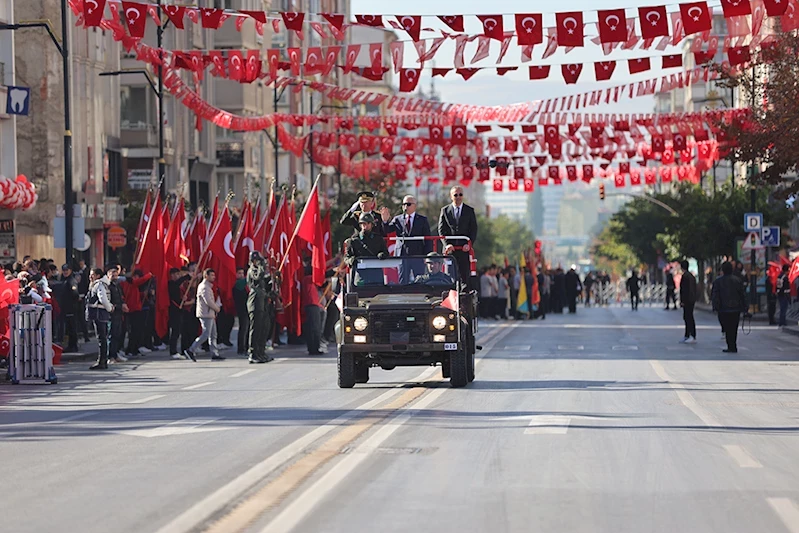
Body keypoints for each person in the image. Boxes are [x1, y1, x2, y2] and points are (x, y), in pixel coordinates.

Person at [383, 195, 432, 281]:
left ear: (415, 206)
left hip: (417, 255)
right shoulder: (397, 219)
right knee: (403, 280)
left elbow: (428, 239)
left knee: (419, 280)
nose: (406, 206)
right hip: (402, 255)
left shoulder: (422, 220)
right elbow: (387, 231)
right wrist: (385, 221)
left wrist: (426, 255)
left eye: (408, 204)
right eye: (404, 204)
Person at [438, 186, 478, 285]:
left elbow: (473, 229)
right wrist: (447, 244)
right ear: (451, 196)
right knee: (450, 277)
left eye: (460, 195)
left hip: (464, 249)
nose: (458, 197)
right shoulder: (445, 210)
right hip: (450, 250)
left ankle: (463, 297)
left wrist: (469, 244)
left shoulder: (469, 210)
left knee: (464, 277)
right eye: (456, 195)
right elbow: (441, 230)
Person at [184, 268, 224, 361]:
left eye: (214, 275)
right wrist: (216, 308)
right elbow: (208, 301)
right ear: (206, 276)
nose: (213, 277)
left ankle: (214, 353)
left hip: (210, 313)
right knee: (205, 334)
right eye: (211, 275)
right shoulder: (204, 287)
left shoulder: (208, 286)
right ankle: (191, 349)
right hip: (205, 313)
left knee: (213, 334)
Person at [344, 212, 389, 286]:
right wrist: (351, 260)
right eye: (363, 223)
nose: (366, 226)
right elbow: (346, 257)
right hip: (360, 276)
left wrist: (382, 255)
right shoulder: (353, 241)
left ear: (372, 224)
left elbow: (386, 253)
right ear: (360, 225)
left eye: (368, 223)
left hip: (376, 276)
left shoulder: (378, 239)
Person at [712, 261, 747, 353]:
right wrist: (745, 308)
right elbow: (742, 295)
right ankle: (733, 345)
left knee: (727, 328)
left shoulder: (718, 281)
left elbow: (715, 295)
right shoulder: (738, 280)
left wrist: (715, 307)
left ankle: (730, 345)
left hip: (724, 309)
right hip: (736, 308)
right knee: (734, 327)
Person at [247, 252, 274, 364]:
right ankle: (253, 353)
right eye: (257, 260)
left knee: (264, 328)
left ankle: (260, 352)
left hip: (262, 303)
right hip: (255, 303)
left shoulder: (260, 270)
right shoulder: (252, 270)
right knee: (256, 329)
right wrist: (262, 267)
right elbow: (258, 278)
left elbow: (265, 286)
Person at [86, 268, 114, 370]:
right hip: (101, 314)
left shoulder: (99, 285)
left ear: (98, 275)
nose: (90, 277)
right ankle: (102, 360)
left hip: (99, 314)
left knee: (101, 338)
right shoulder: (100, 284)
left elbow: (103, 299)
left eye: (92, 274)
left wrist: (110, 308)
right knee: (102, 338)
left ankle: (102, 361)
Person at [106, 265, 129, 363]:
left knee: (117, 335)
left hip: (119, 314)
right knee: (111, 335)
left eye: (116, 276)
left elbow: (121, 297)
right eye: (112, 276)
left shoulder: (117, 286)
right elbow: (108, 301)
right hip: (112, 314)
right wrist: (118, 306)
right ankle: (110, 356)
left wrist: (123, 304)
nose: (114, 278)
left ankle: (115, 355)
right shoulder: (107, 286)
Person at [301, 266, 326, 356]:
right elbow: (321, 276)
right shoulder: (308, 279)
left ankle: (314, 347)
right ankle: (313, 348)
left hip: (312, 305)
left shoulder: (307, 280)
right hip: (311, 305)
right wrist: (333, 271)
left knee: (314, 328)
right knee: (314, 328)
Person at [168, 267, 191, 359]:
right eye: (176, 274)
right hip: (174, 310)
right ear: (172, 275)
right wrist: (187, 276)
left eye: (178, 274)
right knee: (175, 331)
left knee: (179, 331)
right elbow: (175, 288)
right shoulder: (171, 283)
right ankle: (173, 351)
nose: (177, 276)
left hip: (179, 310)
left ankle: (180, 350)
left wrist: (183, 299)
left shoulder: (177, 285)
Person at [59, 264, 81, 353]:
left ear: (70, 270)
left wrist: (72, 303)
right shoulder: (64, 280)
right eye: (64, 270)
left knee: (72, 327)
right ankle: (71, 345)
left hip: (71, 307)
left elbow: (75, 293)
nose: (65, 272)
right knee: (69, 327)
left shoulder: (71, 280)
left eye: (67, 270)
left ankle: (73, 345)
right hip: (66, 307)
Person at [679, 261, 697, 343]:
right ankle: (687, 335)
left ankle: (692, 335)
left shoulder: (685, 276)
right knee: (687, 317)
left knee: (688, 317)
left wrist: (683, 301)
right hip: (691, 299)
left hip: (688, 300)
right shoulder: (691, 276)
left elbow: (685, 290)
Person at [233, 267, 249, 355]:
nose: (241, 275)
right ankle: (241, 348)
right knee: (243, 328)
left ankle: (246, 346)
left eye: (242, 273)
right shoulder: (237, 284)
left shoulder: (244, 284)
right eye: (239, 273)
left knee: (247, 328)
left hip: (247, 309)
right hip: (242, 309)